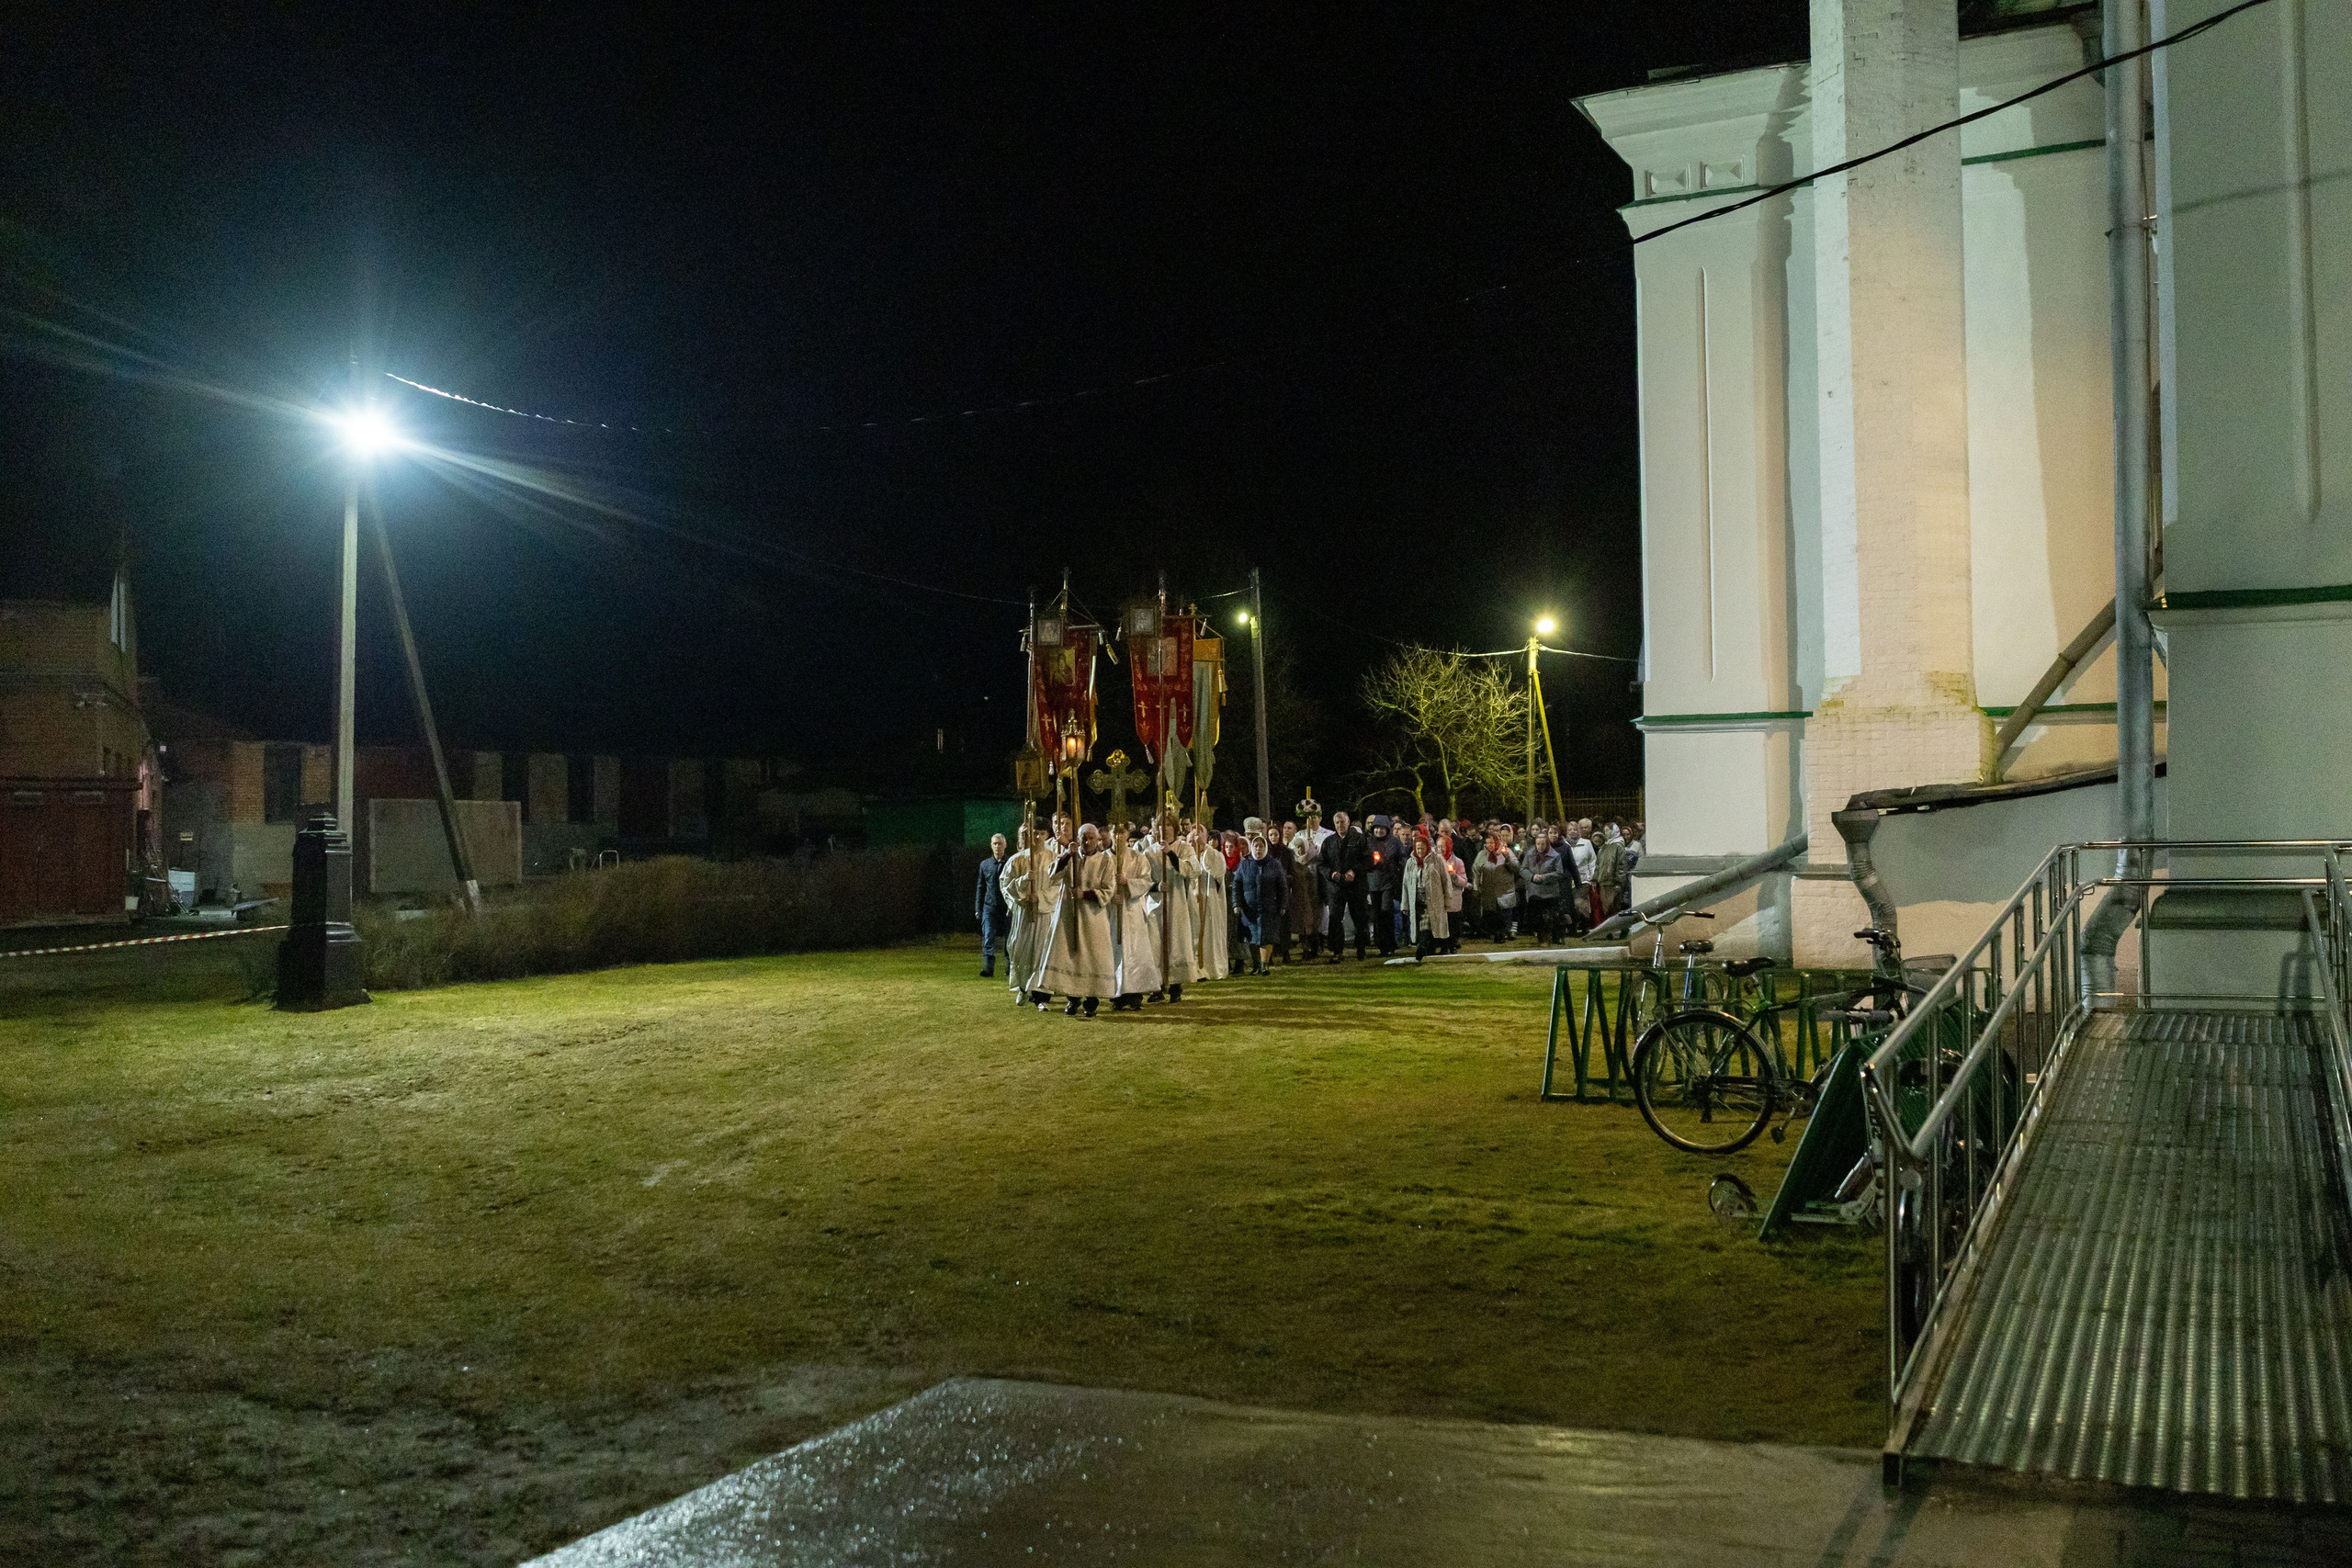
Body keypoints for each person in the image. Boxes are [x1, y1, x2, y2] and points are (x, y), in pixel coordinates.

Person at [1038, 823, 1118, 1016]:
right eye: (1084, 838)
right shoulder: (1070, 857)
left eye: (1091, 838)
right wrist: (1066, 855)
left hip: (1093, 918)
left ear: (1097, 840)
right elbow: (1052, 876)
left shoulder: (1106, 862)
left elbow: (1108, 890)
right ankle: (1073, 999)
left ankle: (1091, 1002)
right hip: (1069, 915)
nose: (1087, 842)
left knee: (1093, 958)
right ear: (1079, 839)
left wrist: (1085, 894)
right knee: (1070, 956)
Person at [1111, 822, 1162, 1011]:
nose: (1118, 835)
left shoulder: (1137, 857)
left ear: (1127, 834)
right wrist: (1110, 896)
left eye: (1121, 832)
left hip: (1131, 910)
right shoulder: (1106, 858)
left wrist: (1128, 883)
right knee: (1116, 952)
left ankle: (1135, 994)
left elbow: (1146, 881)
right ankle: (1117, 994)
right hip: (1113, 911)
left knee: (1134, 953)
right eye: (1114, 831)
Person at [1000, 825, 1049, 1008]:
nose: (1037, 837)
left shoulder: (1052, 858)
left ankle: (1040, 996)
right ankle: (1022, 988)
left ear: (1046, 835)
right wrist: (1023, 885)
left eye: (1041, 833)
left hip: (1044, 913)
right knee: (1021, 950)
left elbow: (1058, 885)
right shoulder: (1017, 860)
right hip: (1024, 913)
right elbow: (1006, 885)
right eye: (1034, 833)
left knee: (1041, 951)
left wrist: (1041, 897)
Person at [1232, 829, 1289, 976]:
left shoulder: (1275, 864)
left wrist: (1283, 904)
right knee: (1252, 937)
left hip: (1269, 907)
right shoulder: (1244, 865)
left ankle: (1265, 965)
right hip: (1249, 908)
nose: (1258, 849)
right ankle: (1256, 964)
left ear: (1266, 848)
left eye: (1261, 846)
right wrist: (1236, 904)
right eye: (1256, 846)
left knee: (1267, 936)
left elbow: (1282, 886)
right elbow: (1237, 886)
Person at [1319, 809, 1372, 962]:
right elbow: (1322, 863)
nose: (1340, 825)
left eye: (1342, 822)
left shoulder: (1359, 839)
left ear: (1348, 822)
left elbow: (1368, 860)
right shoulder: (1328, 842)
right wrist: (1331, 874)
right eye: (1337, 822)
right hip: (1336, 887)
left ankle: (1361, 948)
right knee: (1335, 919)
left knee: (1360, 918)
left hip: (1356, 886)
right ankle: (1337, 951)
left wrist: (1354, 872)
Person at [1187, 821, 1230, 982]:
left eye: (1196, 840)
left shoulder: (1214, 854)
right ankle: (1194, 969)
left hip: (1209, 900)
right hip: (1192, 900)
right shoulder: (1186, 855)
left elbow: (1217, 870)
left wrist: (1204, 848)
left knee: (1208, 934)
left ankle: (1209, 967)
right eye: (1190, 841)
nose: (1193, 844)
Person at [1399, 829, 1452, 960]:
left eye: (1422, 848)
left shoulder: (1437, 860)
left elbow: (1446, 881)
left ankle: (1423, 948)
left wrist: (1447, 899)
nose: (1420, 851)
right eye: (1418, 849)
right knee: (1421, 926)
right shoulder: (1411, 863)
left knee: (1429, 925)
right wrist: (1405, 904)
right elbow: (1405, 884)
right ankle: (1428, 948)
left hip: (1434, 900)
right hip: (1416, 900)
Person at [1364, 814, 1404, 957]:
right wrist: (1371, 864)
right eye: (1376, 828)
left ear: (1386, 828)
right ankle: (1381, 944)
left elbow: (1402, 858)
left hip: (1389, 881)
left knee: (1386, 911)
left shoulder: (1394, 842)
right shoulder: (1368, 842)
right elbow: (1362, 861)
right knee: (1377, 914)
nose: (1379, 831)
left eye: (1382, 828)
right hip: (1373, 882)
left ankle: (1390, 943)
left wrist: (1396, 870)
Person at [1521, 830, 1565, 944]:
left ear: (1547, 844)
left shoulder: (1555, 856)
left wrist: (1544, 877)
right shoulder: (1530, 854)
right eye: (1538, 844)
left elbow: (1559, 873)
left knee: (1551, 918)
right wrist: (1531, 876)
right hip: (1535, 892)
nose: (1540, 847)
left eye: (1543, 844)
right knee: (1537, 918)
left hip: (1550, 893)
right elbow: (1523, 869)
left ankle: (1555, 937)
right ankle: (1541, 938)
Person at [1474, 833, 1519, 941]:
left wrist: (1508, 859)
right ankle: (1496, 934)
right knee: (1492, 914)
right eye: (1488, 843)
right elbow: (1476, 872)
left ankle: (1503, 933)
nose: (1490, 845)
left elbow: (1516, 868)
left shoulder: (1507, 852)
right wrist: (1476, 888)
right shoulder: (1481, 855)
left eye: (1492, 843)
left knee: (1504, 914)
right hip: (1489, 891)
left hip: (1504, 890)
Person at [976, 832, 1008, 978]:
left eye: (1000, 843)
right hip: (990, 906)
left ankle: (1010, 968)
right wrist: (978, 908)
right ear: (991, 845)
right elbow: (980, 887)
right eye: (994, 843)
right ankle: (988, 968)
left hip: (1007, 907)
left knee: (1009, 939)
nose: (997, 846)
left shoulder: (1011, 862)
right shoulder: (985, 864)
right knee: (988, 936)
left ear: (1005, 845)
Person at [1436, 829, 1469, 955]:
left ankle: (1453, 944)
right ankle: (1443, 946)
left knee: (1453, 923)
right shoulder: (1433, 861)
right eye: (1438, 846)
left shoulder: (1458, 862)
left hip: (1454, 897)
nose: (1440, 849)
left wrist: (1454, 876)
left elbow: (1464, 882)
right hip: (1439, 897)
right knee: (1442, 923)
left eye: (1443, 846)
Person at [1594, 824, 1628, 925]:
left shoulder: (1618, 846)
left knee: (1614, 907)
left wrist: (1619, 881)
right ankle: (1610, 929)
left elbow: (1622, 865)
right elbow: (1598, 864)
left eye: (1608, 830)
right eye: (1605, 831)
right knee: (1607, 909)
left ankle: (1622, 927)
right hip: (1604, 882)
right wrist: (1595, 878)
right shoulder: (1604, 847)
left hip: (1613, 882)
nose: (1606, 833)